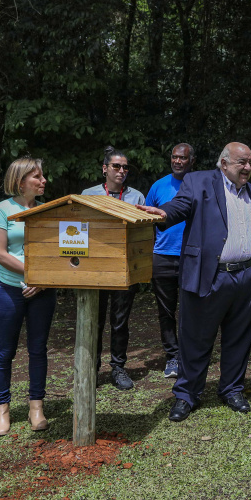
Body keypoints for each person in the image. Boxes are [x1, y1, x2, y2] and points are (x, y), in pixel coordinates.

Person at [136, 142, 251, 422]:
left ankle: (232, 389)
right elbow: (180, 205)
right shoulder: (198, 181)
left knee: (239, 337)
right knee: (196, 338)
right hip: (211, 275)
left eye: (250, 162)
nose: (247, 167)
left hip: (249, 275)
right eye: (241, 162)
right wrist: (164, 213)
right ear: (223, 163)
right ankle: (187, 394)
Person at [0, 157, 57, 435]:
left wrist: (43, 280)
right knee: (5, 352)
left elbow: (57, 251)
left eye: (42, 176)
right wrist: (34, 273)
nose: (43, 181)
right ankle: (2, 411)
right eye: (37, 176)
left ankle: (36, 408)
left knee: (38, 350)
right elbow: (0, 254)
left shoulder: (48, 211)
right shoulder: (1, 210)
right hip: (6, 290)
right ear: (20, 181)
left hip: (42, 291)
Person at [81, 146, 146, 390]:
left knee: (120, 321)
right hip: (96, 269)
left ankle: (118, 368)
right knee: (94, 320)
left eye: (125, 167)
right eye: (116, 166)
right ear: (105, 169)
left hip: (124, 268)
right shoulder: (89, 194)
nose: (121, 170)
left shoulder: (137, 197)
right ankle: (92, 368)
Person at [145, 143, 196, 379]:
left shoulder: (199, 185)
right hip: (163, 256)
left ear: (191, 160)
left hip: (191, 257)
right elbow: (147, 221)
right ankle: (172, 357)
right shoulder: (159, 186)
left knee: (192, 309)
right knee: (166, 311)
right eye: (174, 157)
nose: (177, 161)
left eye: (182, 158)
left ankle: (190, 355)